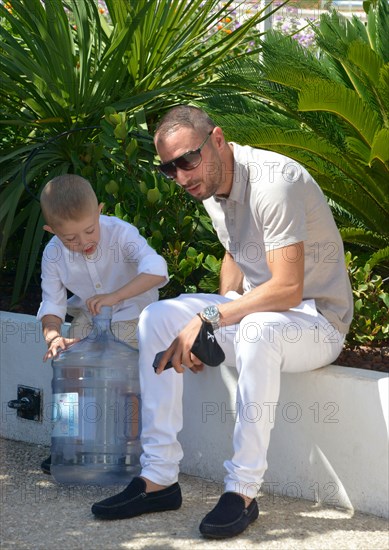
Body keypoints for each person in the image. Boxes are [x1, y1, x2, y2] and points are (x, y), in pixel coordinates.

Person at [91, 106, 353, 539]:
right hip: (260, 312)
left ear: (217, 139)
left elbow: (288, 289)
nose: (181, 176)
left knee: (254, 330)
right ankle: (158, 478)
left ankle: (242, 491)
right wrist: (213, 323)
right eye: (169, 168)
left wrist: (210, 317)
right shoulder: (213, 187)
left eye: (187, 160)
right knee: (156, 317)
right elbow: (237, 255)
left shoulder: (274, 182)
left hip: (314, 319)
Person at [37, 173, 168, 472]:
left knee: (127, 379)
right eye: (70, 238)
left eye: (89, 230)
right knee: (70, 370)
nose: (82, 242)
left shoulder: (121, 233)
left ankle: (130, 449)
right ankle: (70, 445)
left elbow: (157, 269)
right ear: (51, 230)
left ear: (99, 212)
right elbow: (53, 303)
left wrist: (115, 296)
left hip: (135, 314)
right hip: (90, 318)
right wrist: (54, 336)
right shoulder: (53, 254)